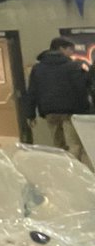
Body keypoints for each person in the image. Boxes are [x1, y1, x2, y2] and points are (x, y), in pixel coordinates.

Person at [25, 37, 94, 167]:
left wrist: (30, 114)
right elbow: (81, 89)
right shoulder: (74, 66)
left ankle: (62, 168)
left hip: (49, 112)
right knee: (75, 145)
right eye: (70, 49)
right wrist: (86, 110)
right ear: (61, 49)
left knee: (58, 145)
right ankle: (74, 170)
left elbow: (32, 91)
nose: (72, 52)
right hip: (71, 112)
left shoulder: (37, 68)